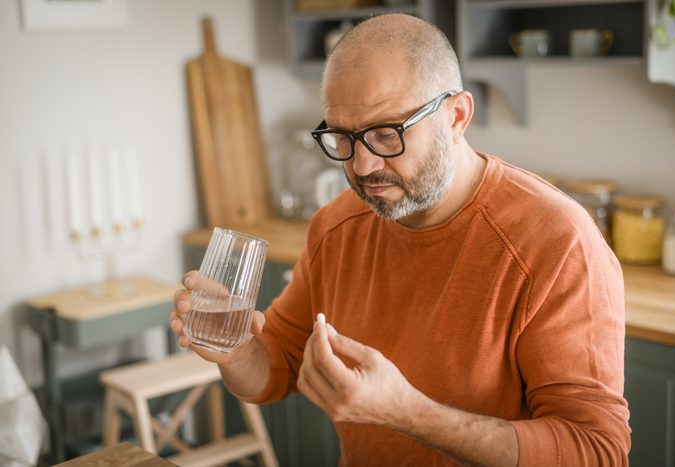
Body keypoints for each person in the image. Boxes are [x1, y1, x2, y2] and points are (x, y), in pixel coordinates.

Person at [171, 13, 630, 466]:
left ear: (456, 116)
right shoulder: (337, 225)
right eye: (343, 137)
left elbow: (597, 452)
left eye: (386, 134)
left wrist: (408, 414)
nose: (363, 167)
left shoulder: (556, 241)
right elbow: (278, 366)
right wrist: (234, 352)